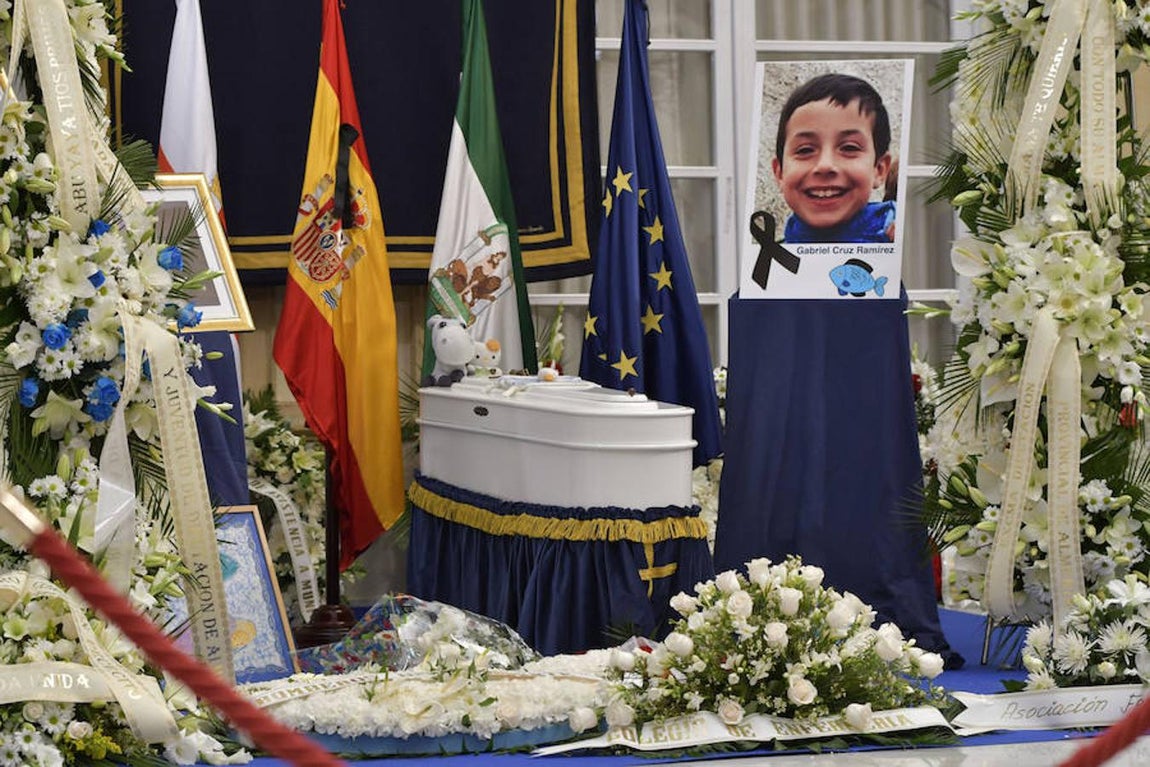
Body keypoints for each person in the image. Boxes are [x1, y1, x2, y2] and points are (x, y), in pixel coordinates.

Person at [772, 73, 896, 243]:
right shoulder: (764, 261)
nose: (825, 165)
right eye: (805, 150)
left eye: (849, 147)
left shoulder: (906, 237)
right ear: (779, 174)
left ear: (879, 170)